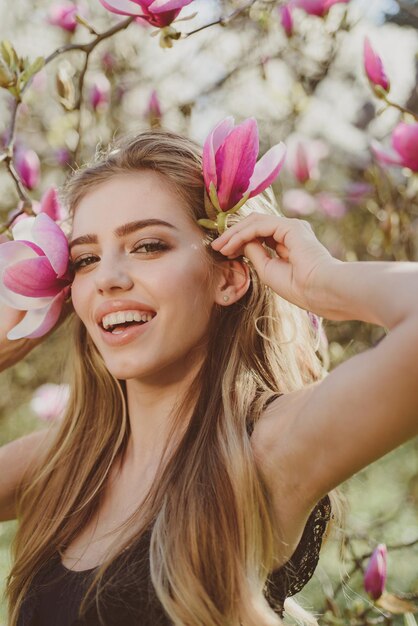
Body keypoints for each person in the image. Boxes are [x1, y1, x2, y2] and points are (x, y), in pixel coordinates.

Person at [0, 126, 417, 626]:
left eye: (148, 246)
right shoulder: (68, 460)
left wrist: (320, 282)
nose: (108, 278)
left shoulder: (264, 450)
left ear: (229, 275)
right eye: (87, 258)